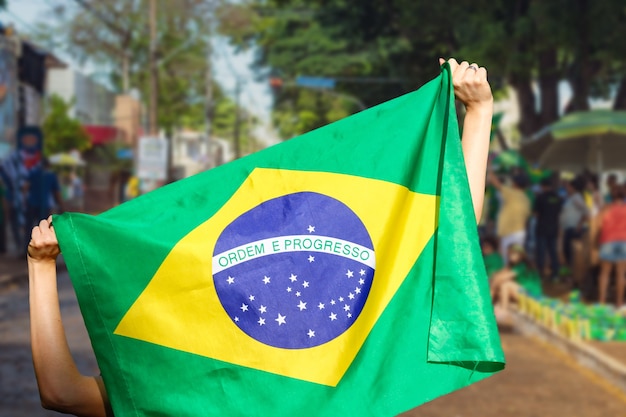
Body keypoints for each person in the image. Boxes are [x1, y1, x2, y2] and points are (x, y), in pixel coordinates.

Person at [27, 58, 495, 415]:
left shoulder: (185, 378)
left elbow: (60, 391)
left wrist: (40, 266)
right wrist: (477, 113)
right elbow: (455, 249)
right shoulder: (343, 357)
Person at [487, 170, 531, 263]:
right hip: (520, 232)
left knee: (505, 260)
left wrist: (489, 168)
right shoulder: (526, 199)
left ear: (515, 184)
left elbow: (495, 183)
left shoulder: (511, 193)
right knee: (515, 259)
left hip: (509, 233)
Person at [490, 244, 543, 319]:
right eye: (509, 253)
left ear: (521, 255)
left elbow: (502, 277)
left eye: (513, 253)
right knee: (499, 285)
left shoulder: (522, 265)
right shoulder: (512, 265)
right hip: (523, 293)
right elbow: (498, 275)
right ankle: (493, 306)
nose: (510, 255)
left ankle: (503, 310)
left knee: (506, 285)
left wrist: (494, 283)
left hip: (532, 295)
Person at [595, 185, 626, 310]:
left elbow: (598, 225)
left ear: (612, 196)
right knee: (621, 274)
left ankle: (602, 302)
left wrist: (596, 242)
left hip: (607, 241)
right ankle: (618, 303)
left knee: (605, 274)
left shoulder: (606, 208)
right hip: (624, 242)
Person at [533, 177, 562, 280]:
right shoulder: (558, 198)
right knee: (553, 252)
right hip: (553, 228)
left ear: (542, 186)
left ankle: (540, 274)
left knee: (541, 251)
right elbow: (559, 214)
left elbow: (536, 214)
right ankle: (555, 274)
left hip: (542, 229)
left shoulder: (540, 197)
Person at [559, 176, 589, 272]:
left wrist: (580, 224)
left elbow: (586, 211)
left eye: (568, 187)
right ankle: (572, 273)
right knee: (568, 252)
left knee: (572, 254)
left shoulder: (576, 198)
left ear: (573, 187)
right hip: (569, 228)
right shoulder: (571, 198)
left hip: (574, 229)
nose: (567, 188)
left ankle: (575, 274)